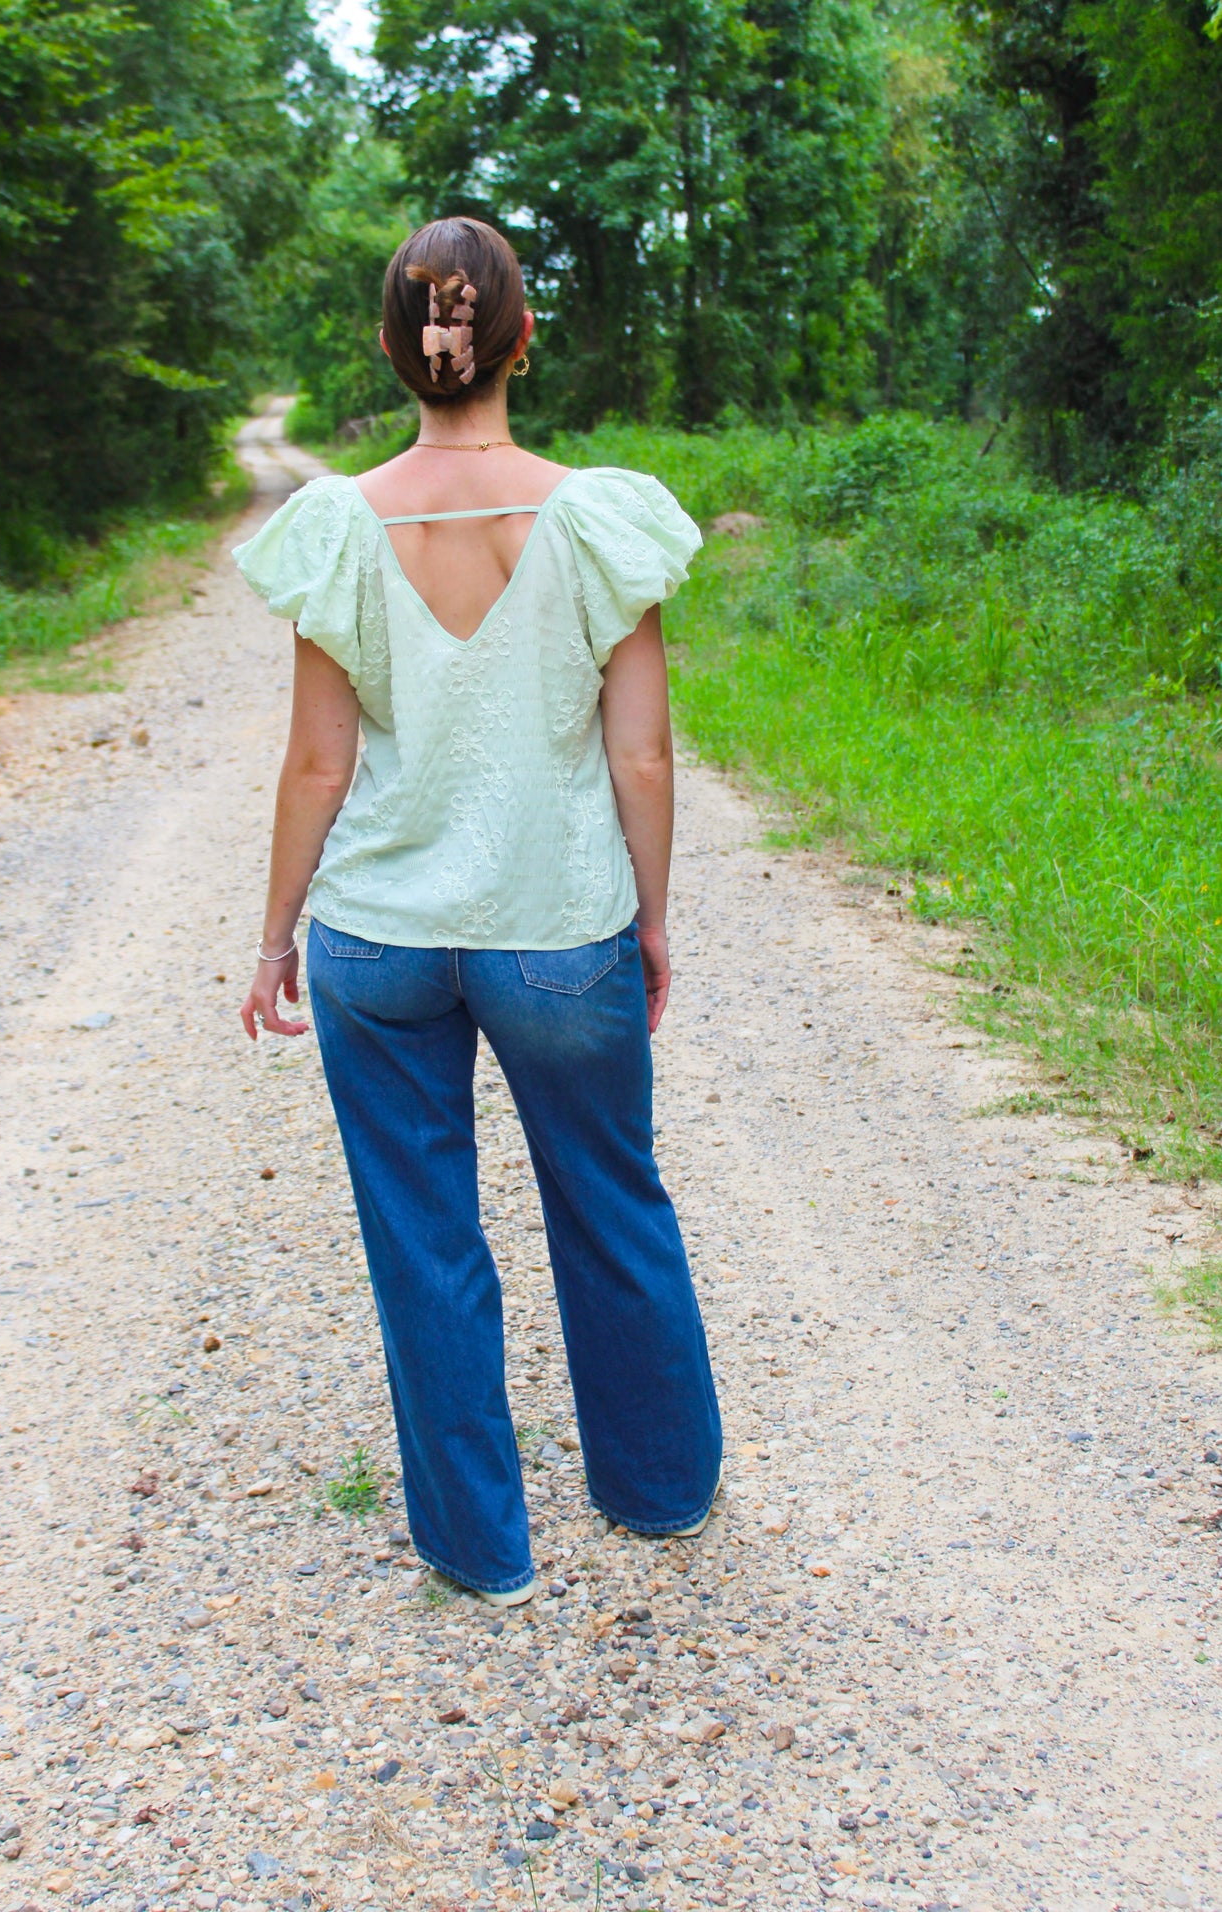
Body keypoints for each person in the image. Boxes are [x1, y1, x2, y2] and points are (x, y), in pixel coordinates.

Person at [235, 217, 721, 1605]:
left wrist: (275, 935)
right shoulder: (595, 515)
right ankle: (659, 1491)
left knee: (421, 1231)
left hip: (379, 939)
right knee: (611, 1199)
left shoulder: (336, 528)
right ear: (520, 341)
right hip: (556, 923)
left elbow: (318, 760)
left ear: (395, 352)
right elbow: (639, 752)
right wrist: (652, 916)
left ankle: (478, 1546)